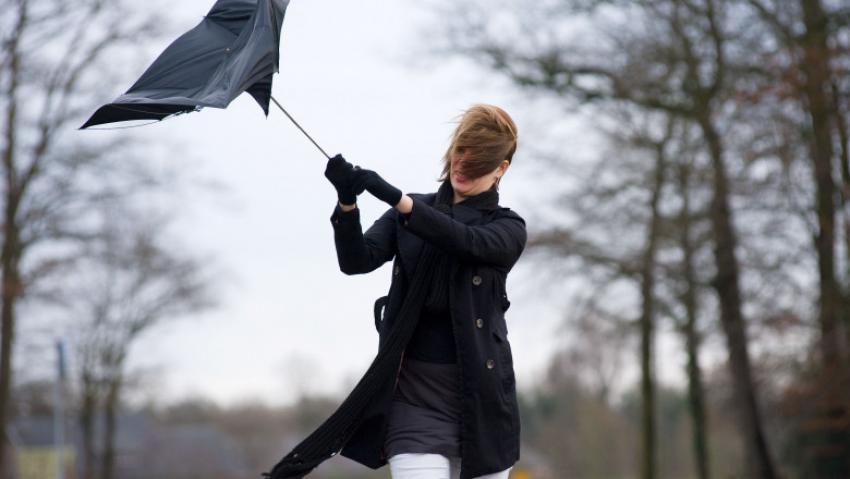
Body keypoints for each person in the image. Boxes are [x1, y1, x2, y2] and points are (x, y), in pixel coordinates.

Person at [322, 104, 526, 479]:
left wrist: (398, 200)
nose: (462, 165)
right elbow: (356, 261)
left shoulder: (507, 228)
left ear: (500, 168)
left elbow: (466, 241)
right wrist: (347, 203)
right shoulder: (410, 212)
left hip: (482, 407)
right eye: (460, 152)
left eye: (477, 162)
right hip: (413, 401)